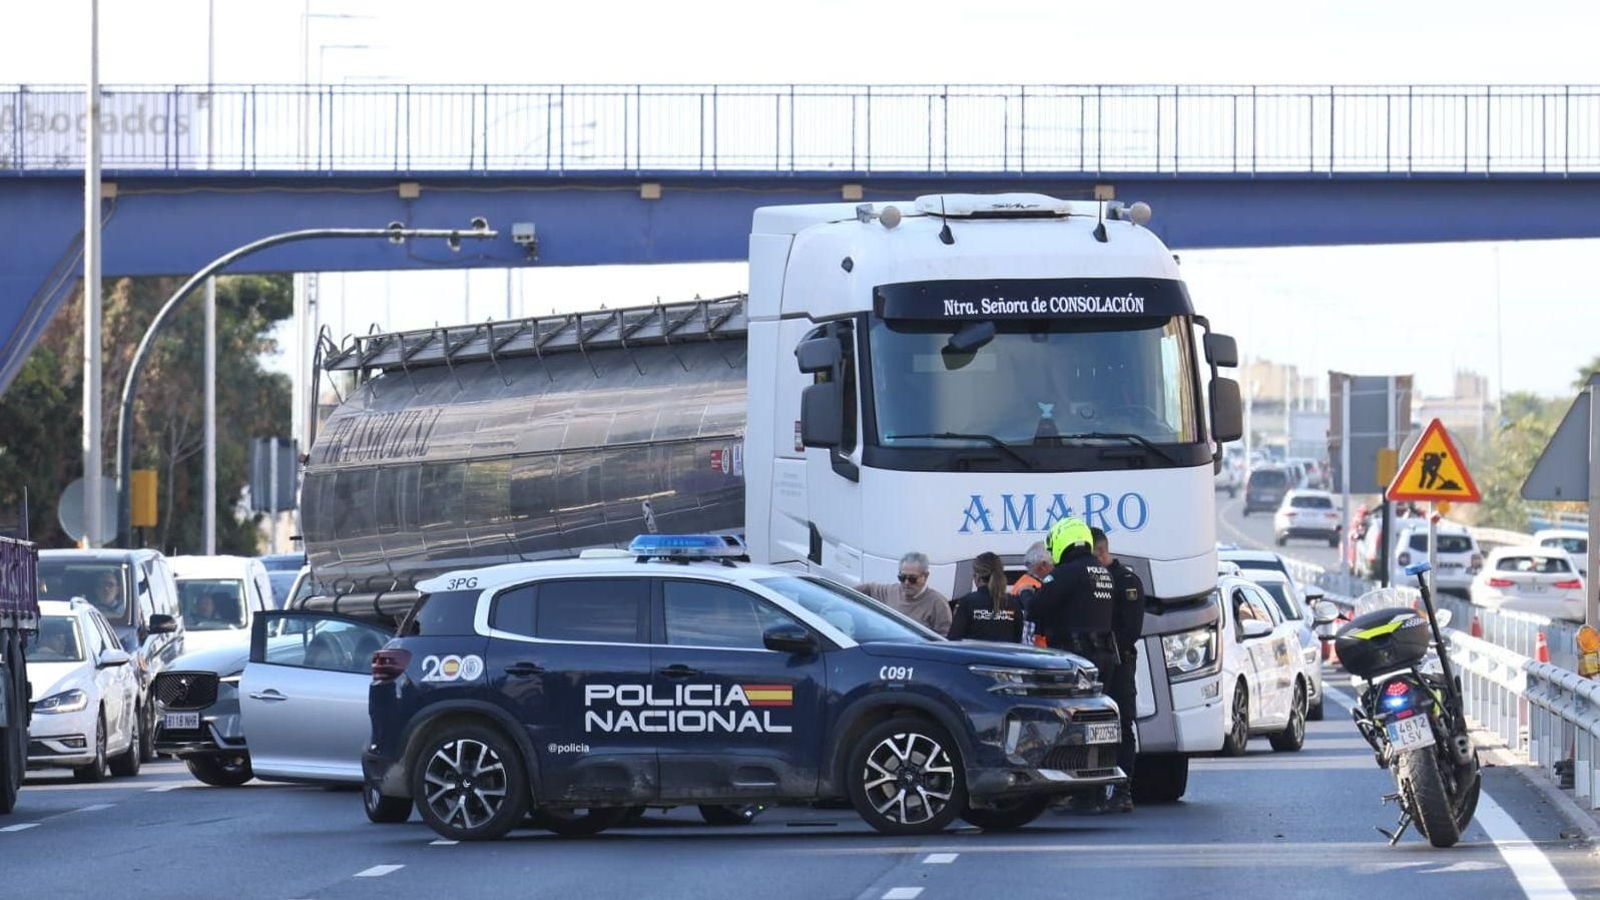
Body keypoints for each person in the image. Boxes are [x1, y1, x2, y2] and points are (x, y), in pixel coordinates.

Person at [1027, 517, 1119, 812]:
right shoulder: (1099, 570)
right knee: (1099, 728)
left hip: (1075, 661)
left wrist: (1029, 595)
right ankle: (1094, 792)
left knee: (1072, 727)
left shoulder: (1067, 573)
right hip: (1104, 658)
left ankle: (1080, 792)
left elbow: (1037, 607)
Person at [1094, 527, 1144, 814]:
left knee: (1123, 725)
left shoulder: (1126, 581)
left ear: (1102, 552)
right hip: (1097, 663)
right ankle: (1093, 790)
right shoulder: (1092, 580)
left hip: (1120, 662)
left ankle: (1123, 791)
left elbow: (1131, 630)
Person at [855, 551, 952, 636]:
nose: (906, 583)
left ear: (925, 576)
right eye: (902, 577)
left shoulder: (938, 603)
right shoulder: (890, 591)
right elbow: (868, 588)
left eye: (912, 579)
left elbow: (944, 638)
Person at [949, 552, 1024, 642]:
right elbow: (1018, 639)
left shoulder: (967, 602)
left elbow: (954, 640)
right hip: (1004, 655)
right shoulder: (1013, 603)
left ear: (977, 576)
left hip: (976, 655)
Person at [1011, 541, 1053, 648]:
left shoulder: (1039, 581)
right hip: (1037, 649)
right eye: (1052, 563)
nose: (1054, 566)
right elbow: (1031, 616)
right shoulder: (1028, 586)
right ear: (1043, 565)